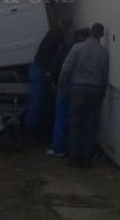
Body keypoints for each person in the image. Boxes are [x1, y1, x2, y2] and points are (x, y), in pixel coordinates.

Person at [60, 22, 109, 167]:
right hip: (95, 90)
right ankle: (86, 158)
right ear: (101, 35)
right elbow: (105, 75)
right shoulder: (104, 52)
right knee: (91, 124)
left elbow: (66, 68)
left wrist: (63, 85)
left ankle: (74, 157)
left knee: (75, 123)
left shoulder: (78, 48)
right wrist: (102, 92)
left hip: (77, 89)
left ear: (90, 33)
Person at [47, 27, 90, 157]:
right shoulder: (89, 50)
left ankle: (59, 148)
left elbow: (57, 66)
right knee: (78, 119)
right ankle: (76, 149)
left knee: (61, 117)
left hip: (65, 85)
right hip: (81, 87)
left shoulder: (66, 47)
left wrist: (56, 82)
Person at [24, 15, 72, 131]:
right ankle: (29, 128)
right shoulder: (59, 37)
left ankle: (28, 125)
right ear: (68, 26)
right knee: (38, 101)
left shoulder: (51, 33)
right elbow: (54, 57)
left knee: (35, 100)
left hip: (35, 67)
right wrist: (50, 73)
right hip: (41, 70)